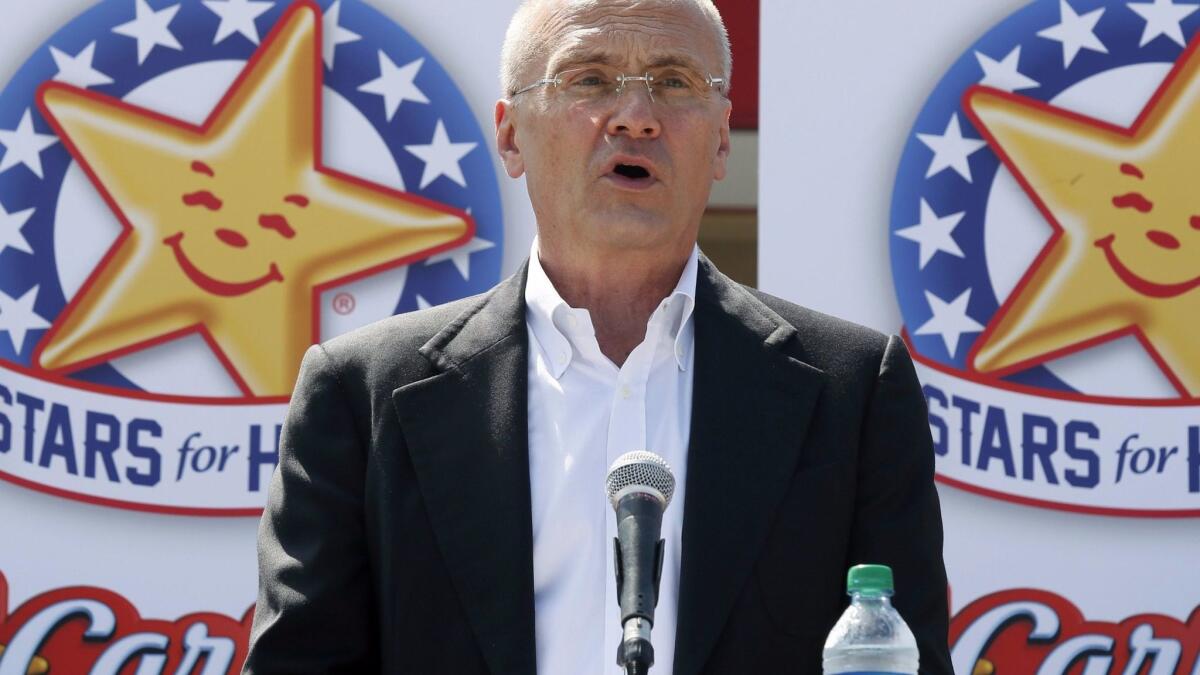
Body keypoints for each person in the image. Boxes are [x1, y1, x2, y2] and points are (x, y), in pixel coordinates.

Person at [243, 1, 952, 673]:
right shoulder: (364, 394)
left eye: (674, 82)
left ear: (719, 142)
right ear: (512, 133)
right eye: (591, 79)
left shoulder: (853, 391)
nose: (637, 117)